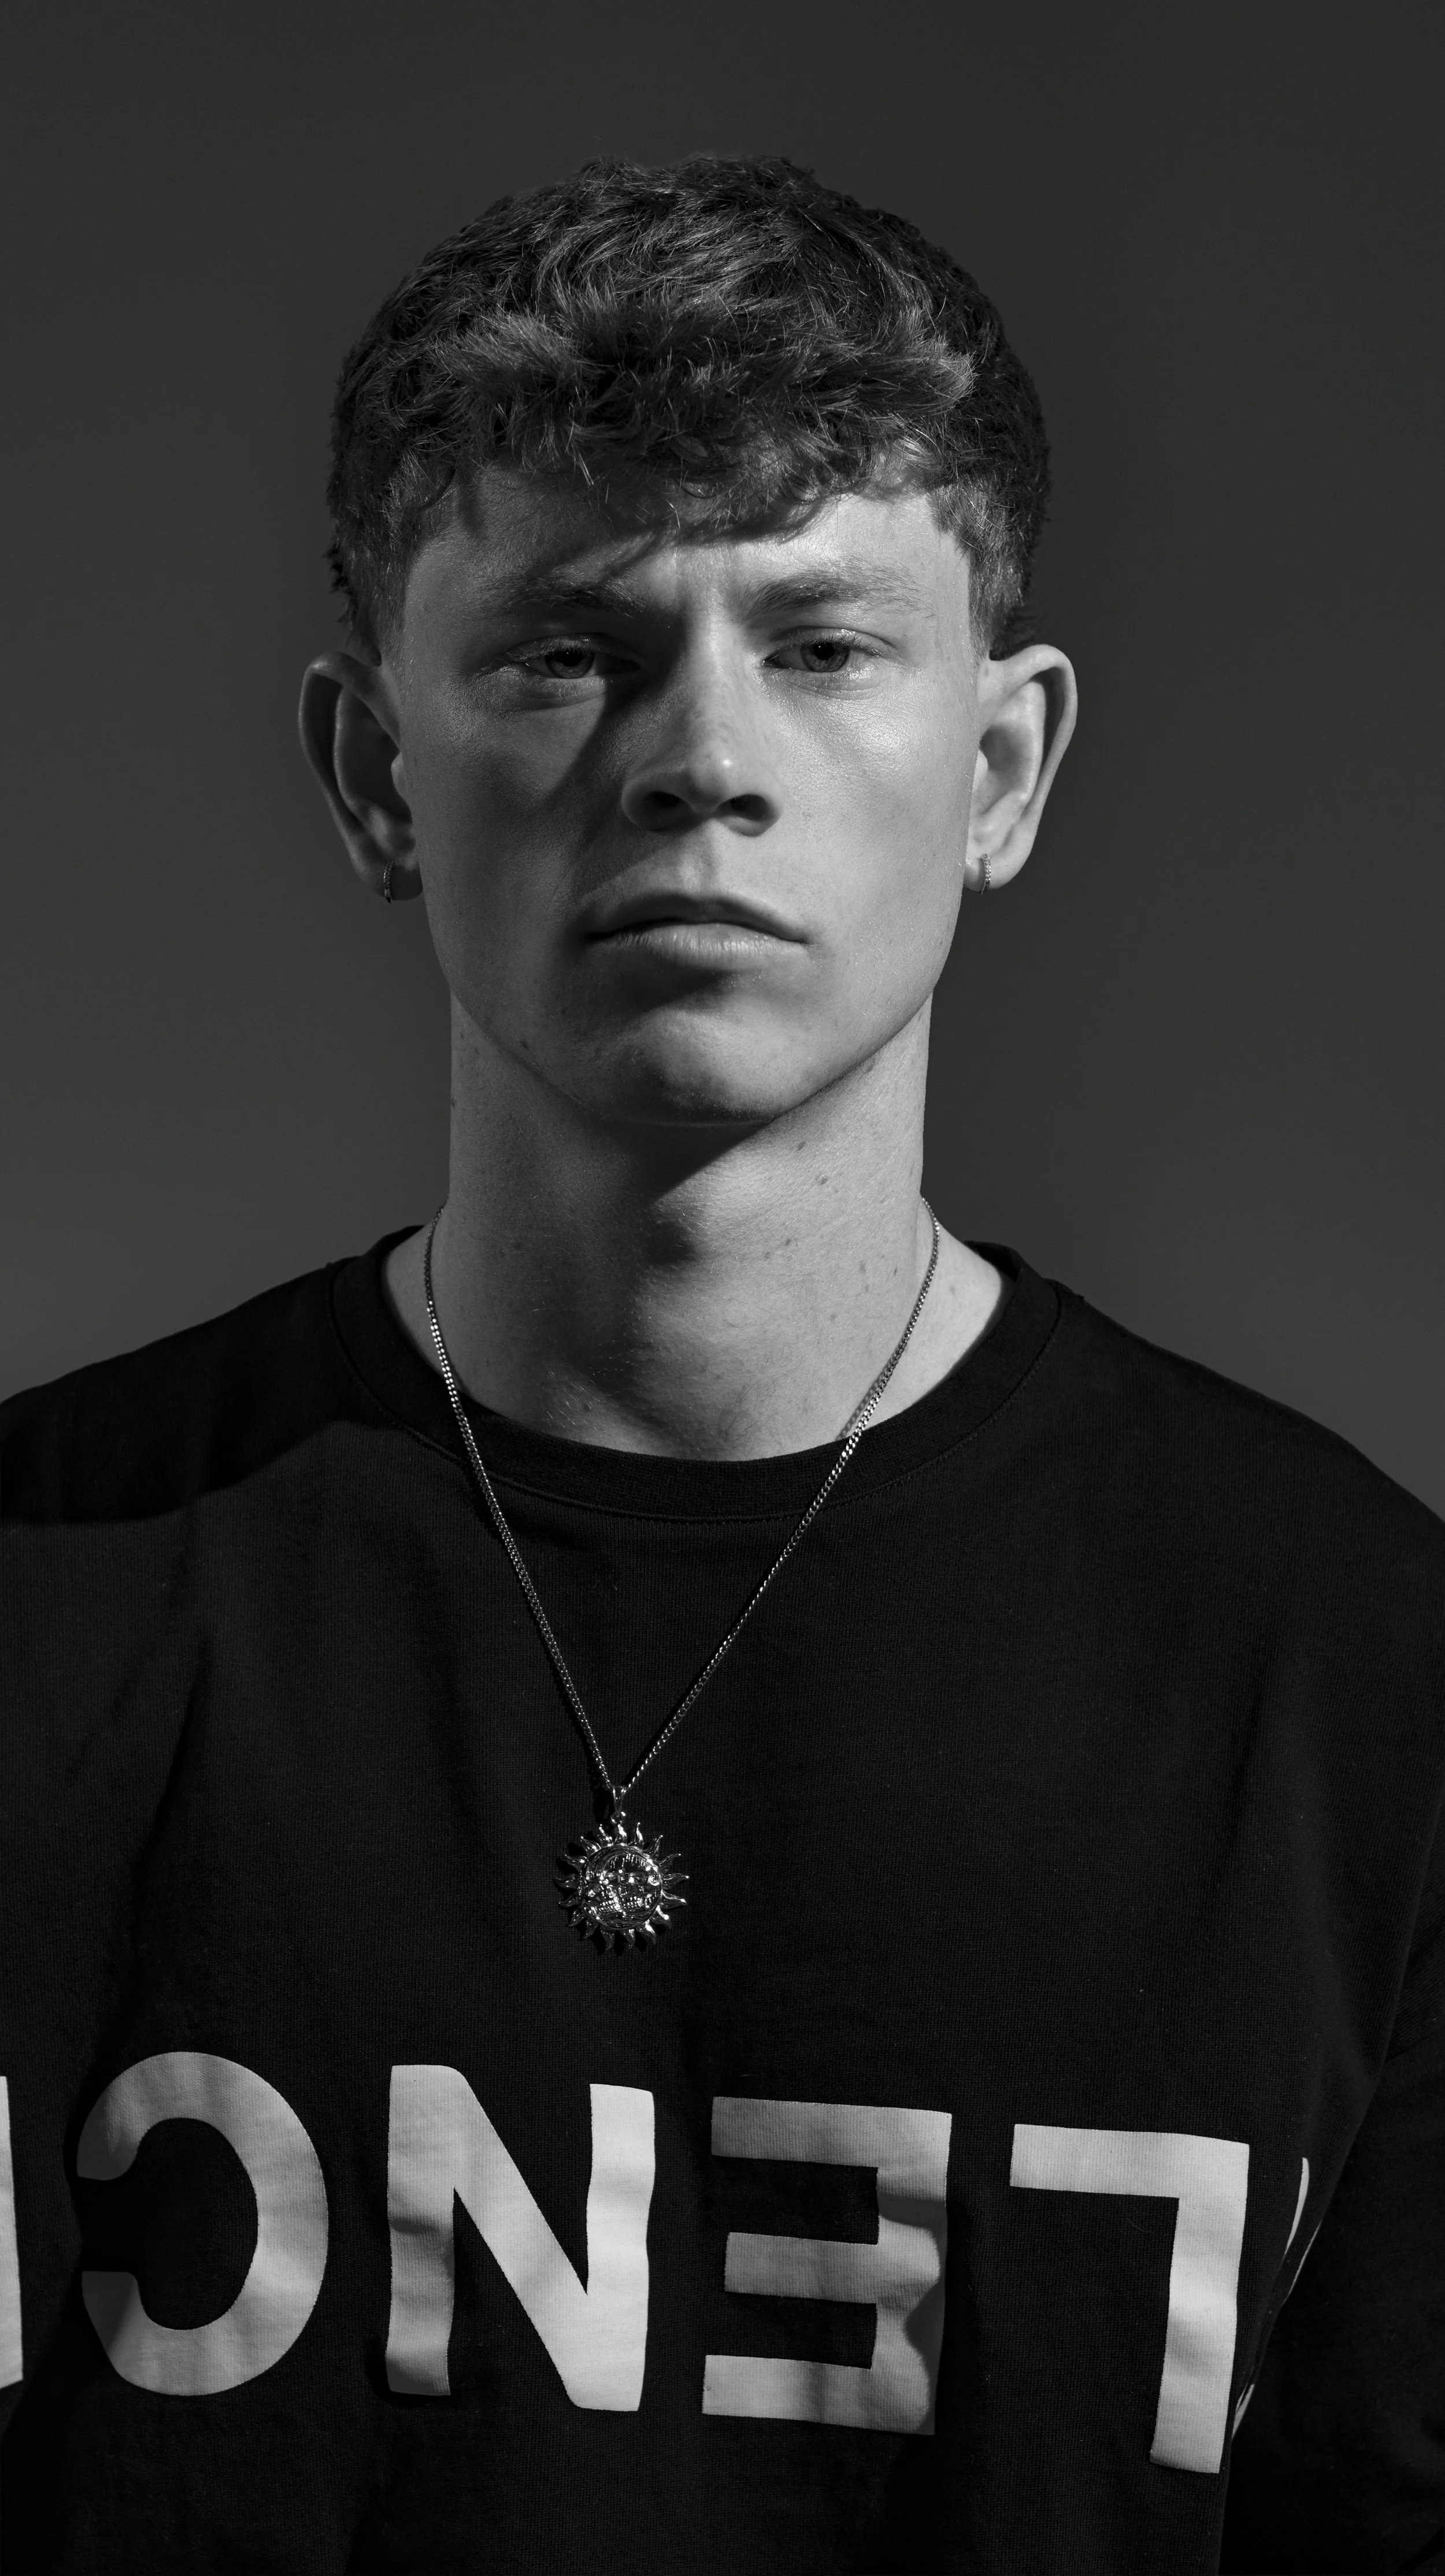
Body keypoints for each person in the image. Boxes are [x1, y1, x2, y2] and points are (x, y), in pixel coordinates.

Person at [0, 154, 1439, 2576]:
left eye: (821, 642)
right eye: (569, 644)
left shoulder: (1350, 1678)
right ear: (374, 773)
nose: (700, 757)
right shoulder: (43, 1597)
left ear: (998, 769)